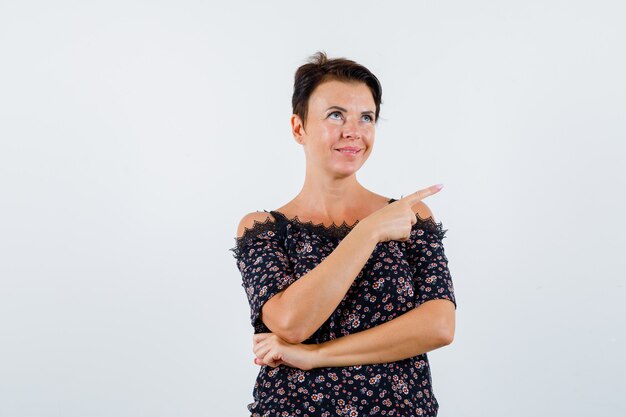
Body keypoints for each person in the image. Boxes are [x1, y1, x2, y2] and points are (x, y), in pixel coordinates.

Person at [229, 51, 457, 417]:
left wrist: (315, 356)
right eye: (336, 115)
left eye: (366, 117)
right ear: (298, 128)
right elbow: (292, 322)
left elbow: (439, 326)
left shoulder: (408, 216)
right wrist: (367, 232)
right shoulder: (263, 229)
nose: (353, 130)